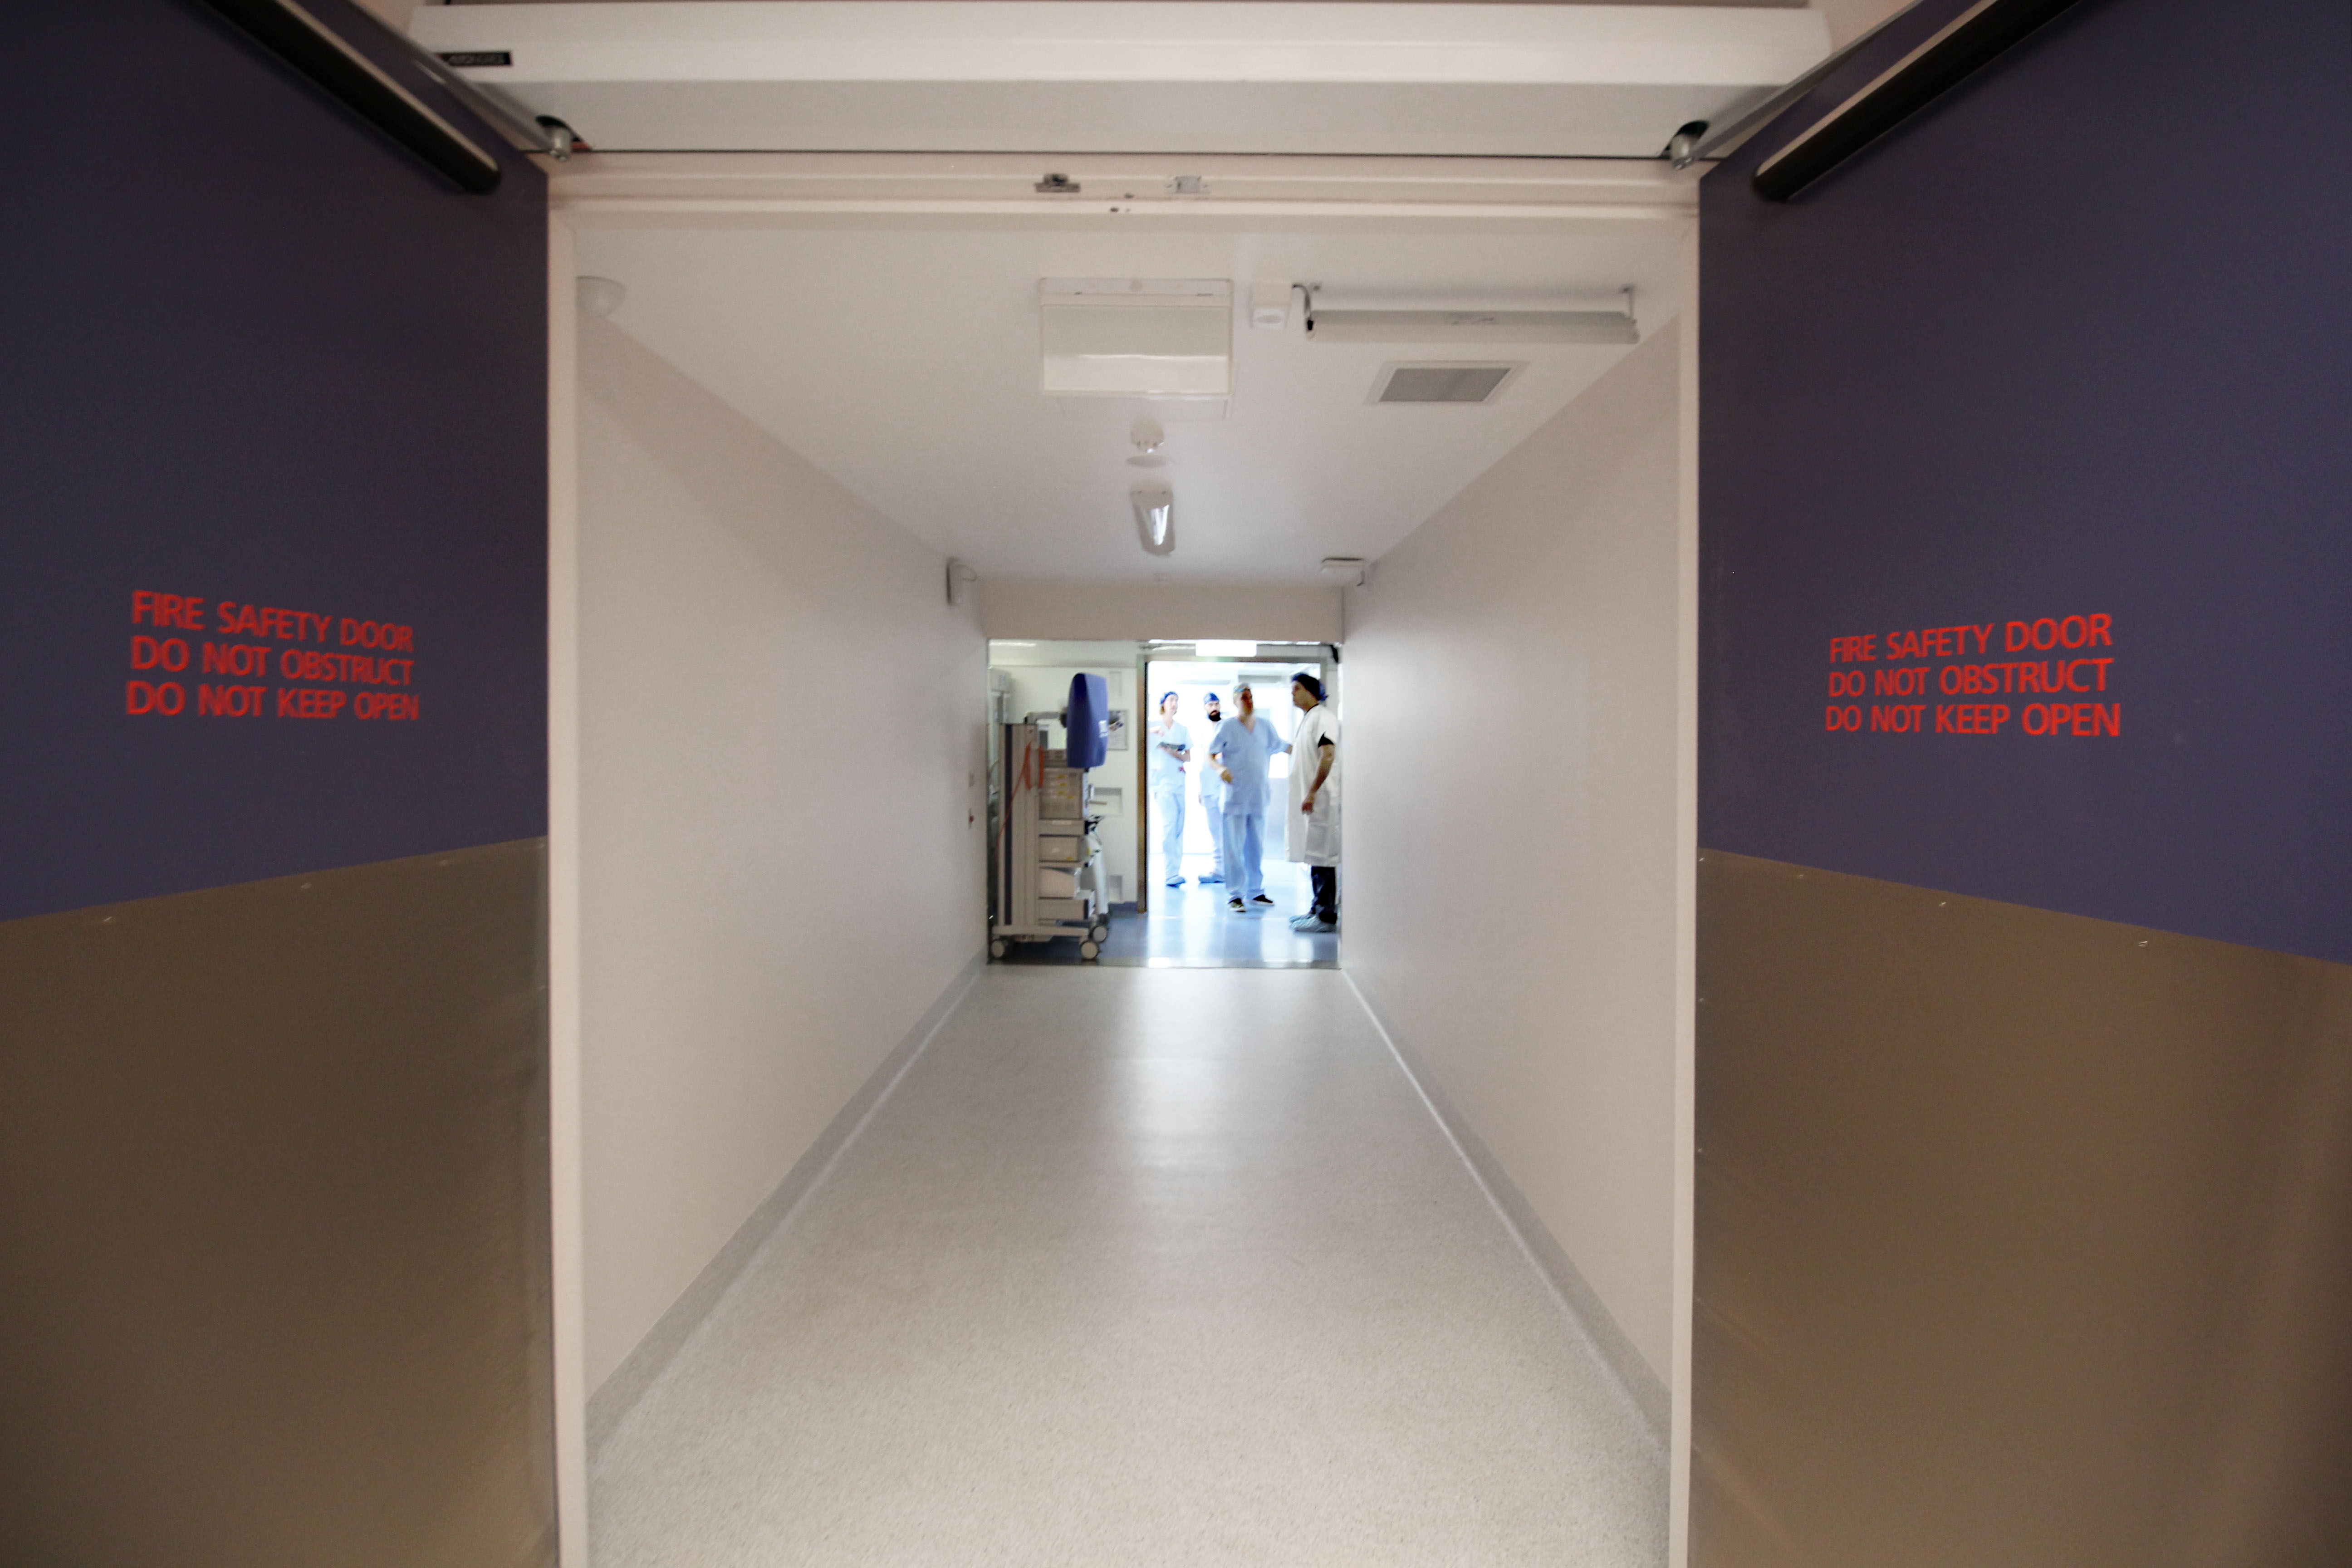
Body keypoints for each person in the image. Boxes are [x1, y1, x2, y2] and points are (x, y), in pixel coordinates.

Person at [1207, 681, 1289, 913]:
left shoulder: (1265, 726)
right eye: (1244, 697)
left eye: (1251, 696)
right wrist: (1219, 769)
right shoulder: (1226, 727)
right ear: (1235, 702)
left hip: (1258, 796)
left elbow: (1281, 746)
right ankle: (1235, 894)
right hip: (1235, 798)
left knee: (1256, 847)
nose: (1249, 701)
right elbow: (1210, 755)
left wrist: (1307, 748)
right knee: (1233, 848)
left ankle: (1256, 891)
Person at [1285, 673, 1339, 932]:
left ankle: (1326, 916)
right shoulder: (1310, 719)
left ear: (1310, 691)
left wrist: (1313, 792)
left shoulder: (1323, 717)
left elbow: (1328, 756)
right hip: (1313, 800)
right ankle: (1316, 909)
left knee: (1324, 858)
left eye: (1296, 689)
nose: (1292, 694)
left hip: (1323, 799)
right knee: (1315, 856)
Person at [1147, 691, 1191, 887]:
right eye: (1171, 700)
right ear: (1163, 704)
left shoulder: (1182, 729)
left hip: (1179, 782)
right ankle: (1169, 872)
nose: (1175, 704)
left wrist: (1173, 752)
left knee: (1179, 827)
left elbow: (1188, 757)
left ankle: (1176, 872)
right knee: (1169, 825)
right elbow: (1137, 735)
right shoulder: (1152, 726)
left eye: (1177, 701)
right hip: (1161, 784)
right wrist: (1155, 732)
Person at [1195, 691, 1228, 886]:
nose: (1214, 707)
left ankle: (1230, 871)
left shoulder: (1228, 727)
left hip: (1225, 787)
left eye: (1216, 704)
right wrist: (1201, 788)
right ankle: (1218, 871)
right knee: (1215, 831)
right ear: (1205, 708)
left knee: (1228, 831)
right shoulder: (1204, 730)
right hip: (1208, 786)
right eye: (1210, 705)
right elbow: (1204, 760)